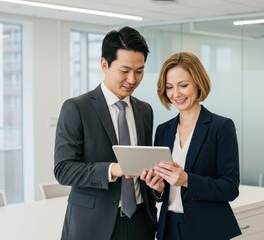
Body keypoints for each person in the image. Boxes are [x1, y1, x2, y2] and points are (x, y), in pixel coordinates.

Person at [54, 26, 157, 240]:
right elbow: (63, 169)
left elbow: (145, 168)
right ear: (104, 64)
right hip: (92, 225)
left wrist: (156, 185)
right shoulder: (76, 108)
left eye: (139, 71)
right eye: (124, 70)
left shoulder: (144, 110)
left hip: (140, 222)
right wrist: (114, 169)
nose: (132, 79)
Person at [140, 52, 242, 240]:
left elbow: (230, 187)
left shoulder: (221, 127)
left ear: (198, 83)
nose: (176, 94)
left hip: (207, 229)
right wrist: (158, 188)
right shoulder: (163, 130)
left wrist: (187, 180)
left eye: (184, 85)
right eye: (170, 87)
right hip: (168, 227)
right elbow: (160, 192)